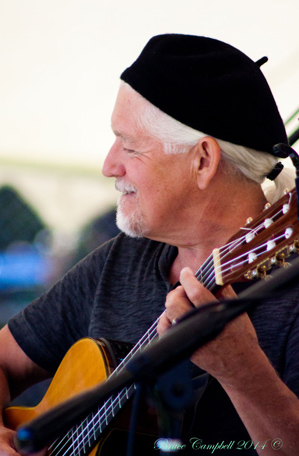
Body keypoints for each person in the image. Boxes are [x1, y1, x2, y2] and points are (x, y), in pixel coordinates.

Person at [0, 34, 299, 456]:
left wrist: (243, 373)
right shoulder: (123, 259)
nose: (108, 165)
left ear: (203, 160)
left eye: (130, 145)